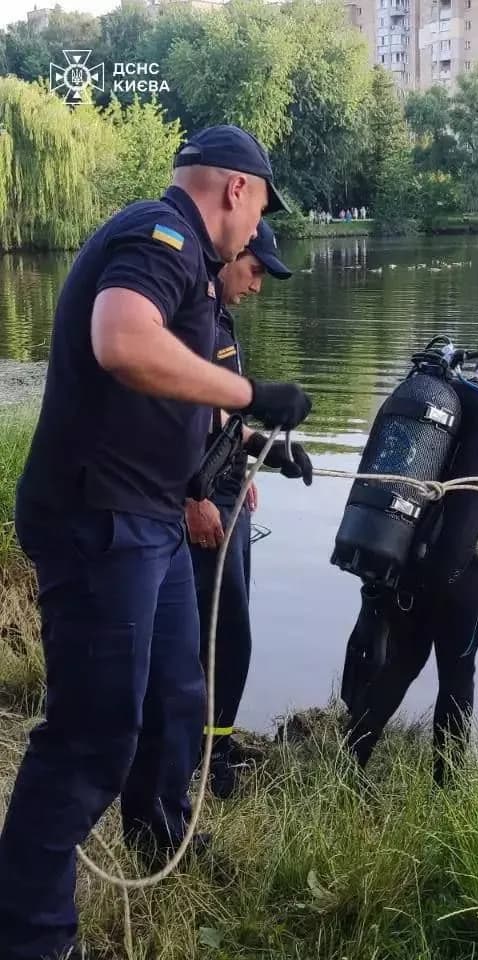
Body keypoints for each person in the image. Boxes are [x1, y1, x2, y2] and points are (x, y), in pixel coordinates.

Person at [0, 124, 312, 960]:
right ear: (237, 192)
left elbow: (174, 404)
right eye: (257, 215)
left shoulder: (201, 282)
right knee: (90, 735)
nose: (254, 237)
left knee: (176, 690)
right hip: (99, 519)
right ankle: (33, 934)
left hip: (152, 518)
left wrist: (254, 441)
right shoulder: (160, 234)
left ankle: (155, 832)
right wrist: (252, 393)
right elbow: (121, 341)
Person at [341, 343, 478, 786]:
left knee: (402, 664)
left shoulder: (438, 403)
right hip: (457, 578)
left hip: (404, 565)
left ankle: (347, 768)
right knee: (457, 677)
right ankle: (447, 790)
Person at [186, 219, 312, 799]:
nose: (258, 284)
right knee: (223, 634)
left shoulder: (222, 322)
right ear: (232, 255)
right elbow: (177, 420)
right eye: (256, 269)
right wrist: (196, 497)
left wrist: (269, 453)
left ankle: (218, 742)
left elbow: (224, 421)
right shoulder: (191, 322)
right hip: (207, 504)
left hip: (232, 494)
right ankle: (208, 756)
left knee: (232, 630)